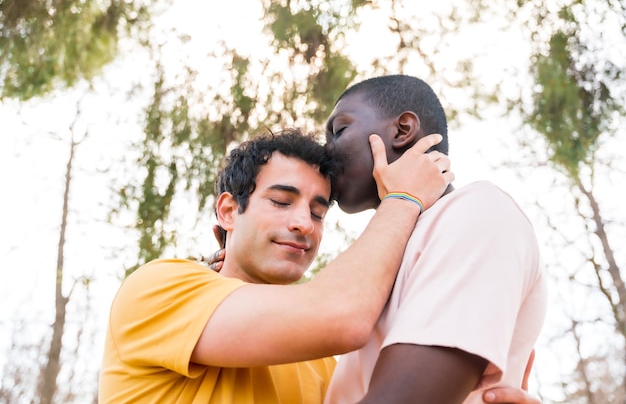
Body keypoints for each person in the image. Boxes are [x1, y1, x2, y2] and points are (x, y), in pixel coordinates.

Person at [99, 128, 454, 403]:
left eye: (317, 212)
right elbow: (343, 314)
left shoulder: (321, 362)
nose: (305, 224)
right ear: (227, 211)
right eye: (282, 201)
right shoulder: (160, 287)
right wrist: (402, 200)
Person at [320, 74, 548, 404]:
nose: (325, 154)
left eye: (338, 131)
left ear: (402, 130)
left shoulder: (478, 212)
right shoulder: (387, 264)